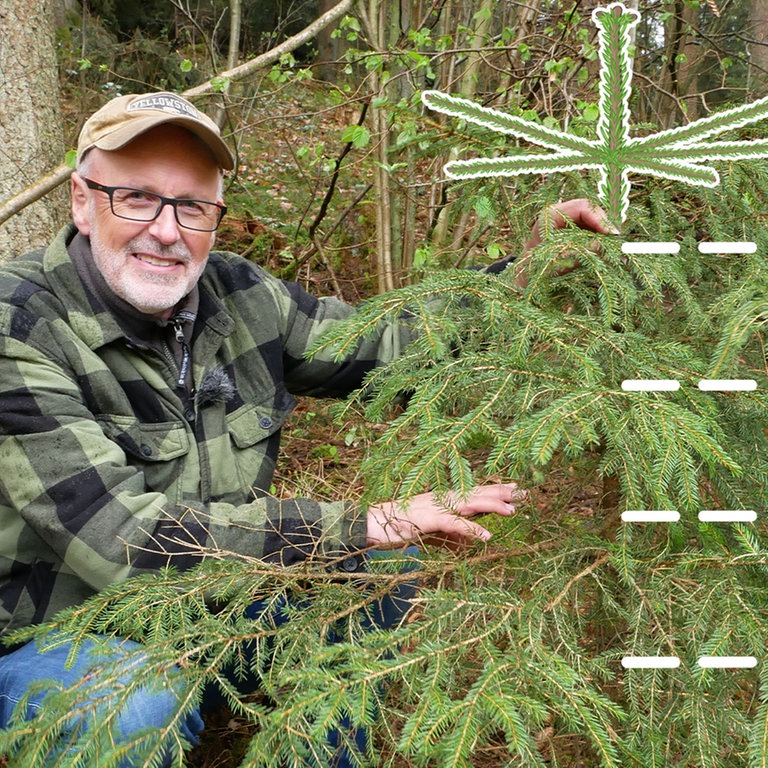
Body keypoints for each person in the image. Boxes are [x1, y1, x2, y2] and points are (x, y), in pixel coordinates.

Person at [0, 92, 612, 766]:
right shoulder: (20, 326)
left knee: (376, 566)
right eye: (137, 198)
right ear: (82, 201)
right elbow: (114, 537)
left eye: (193, 206)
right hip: (58, 633)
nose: (167, 231)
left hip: (214, 600)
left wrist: (521, 274)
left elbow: (389, 341)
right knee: (125, 705)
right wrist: (359, 522)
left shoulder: (240, 297)